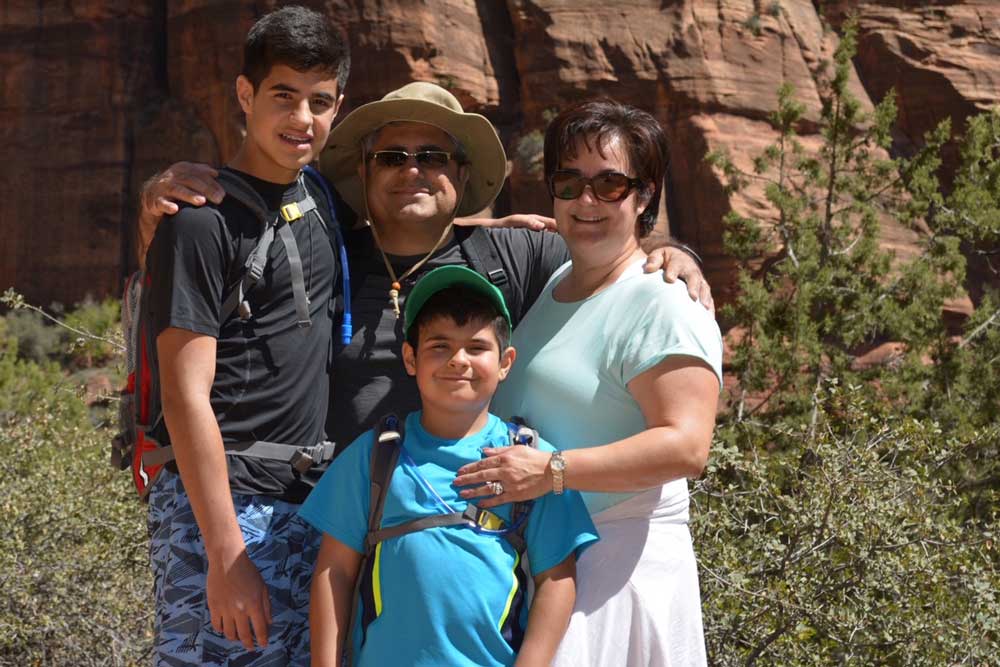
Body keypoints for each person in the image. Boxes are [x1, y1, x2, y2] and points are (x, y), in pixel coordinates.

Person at [138, 81, 714, 452]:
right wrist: (156, 208)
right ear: (363, 173)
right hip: (329, 531)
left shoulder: (518, 256)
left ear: (462, 176)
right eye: (392, 156)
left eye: (433, 157)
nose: (411, 170)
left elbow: (609, 253)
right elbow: (197, 278)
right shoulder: (321, 254)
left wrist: (677, 254)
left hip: (463, 540)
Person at [454, 99, 724, 666]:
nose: (586, 201)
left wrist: (551, 472)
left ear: (645, 194)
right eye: (570, 182)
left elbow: (687, 446)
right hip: (546, 565)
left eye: (610, 184)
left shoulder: (662, 302)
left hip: (618, 571)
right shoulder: (553, 283)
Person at [143, 7, 348, 665]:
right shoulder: (199, 224)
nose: (302, 118)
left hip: (310, 511)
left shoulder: (321, 197)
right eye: (283, 96)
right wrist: (226, 553)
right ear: (244, 95)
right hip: (223, 513)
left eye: (320, 101)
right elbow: (183, 397)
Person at [300, 265, 598, 666]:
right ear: (410, 358)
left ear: (506, 362)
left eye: (476, 347)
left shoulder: (532, 458)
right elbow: (334, 571)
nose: (458, 360)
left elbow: (556, 580)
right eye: (439, 346)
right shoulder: (375, 456)